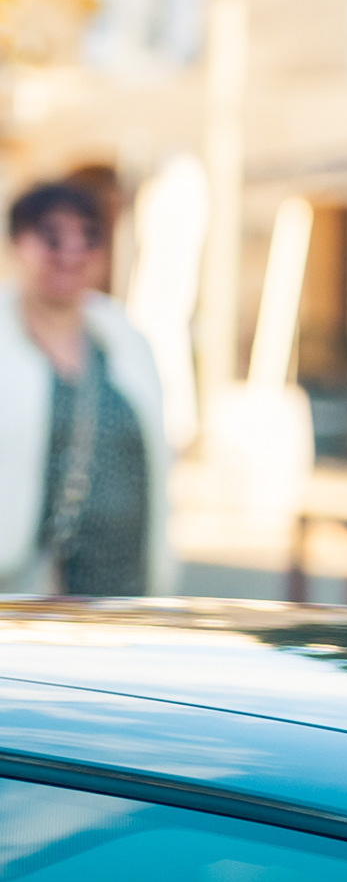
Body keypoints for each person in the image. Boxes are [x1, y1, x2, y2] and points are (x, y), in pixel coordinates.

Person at [1, 180, 174, 599]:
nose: (71, 251)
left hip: (123, 595)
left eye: (89, 236)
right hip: (20, 596)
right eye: (52, 236)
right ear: (17, 244)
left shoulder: (127, 340)